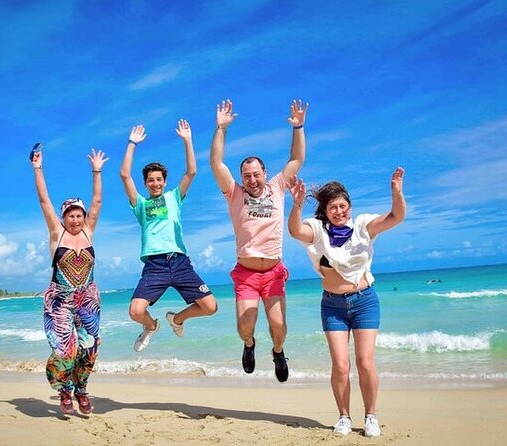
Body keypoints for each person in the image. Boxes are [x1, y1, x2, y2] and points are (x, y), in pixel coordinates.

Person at [287, 167, 406, 437]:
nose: (338, 211)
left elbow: (397, 216)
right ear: (326, 211)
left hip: (364, 301)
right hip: (332, 305)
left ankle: (371, 416)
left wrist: (396, 193)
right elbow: (295, 231)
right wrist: (296, 204)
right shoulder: (318, 231)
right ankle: (343, 416)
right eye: (333, 208)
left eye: (342, 206)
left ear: (349, 206)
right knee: (341, 364)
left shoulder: (363, 227)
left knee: (365, 362)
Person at [209, 99, 308, 382]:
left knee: (279, 326)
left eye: (256, 174)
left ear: (264, 174)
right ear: (241, 178)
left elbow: (296, 160)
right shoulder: (234, 194)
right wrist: (221, 129)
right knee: (245, 325)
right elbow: (216, 163)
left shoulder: (277, 186)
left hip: (274, 272)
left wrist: (298, 127)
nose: (251, 180)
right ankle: (249, 345)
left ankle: (278, 352)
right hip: (246, 274)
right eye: (246, 176)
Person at [120, 120, 218, 352]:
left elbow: (191, 171)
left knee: (210, 307)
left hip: (179, 262)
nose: (155, 183)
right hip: (155, 266)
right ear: (146, 183)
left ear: (164, 181)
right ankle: (151, 326)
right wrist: (132, 143)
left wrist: (187, 140)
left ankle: (177, 319)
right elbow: (125, 175)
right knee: (135, 311)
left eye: (159, 179)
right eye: (150, 180)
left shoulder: (174, 197)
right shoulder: (140, 204)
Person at [31, 145, 108, 416]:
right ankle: (64, 389)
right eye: (70, 215)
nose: (75, 219)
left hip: (87, 300)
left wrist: (96, 171)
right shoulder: (57, 234)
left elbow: (97, 201)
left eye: (79, 215)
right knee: (66, 352)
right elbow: (44, 201)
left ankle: (81, 390)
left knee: (89, 349)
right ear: (63, 218)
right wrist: (38, 168)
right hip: (60, 301)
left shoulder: (88, 231)